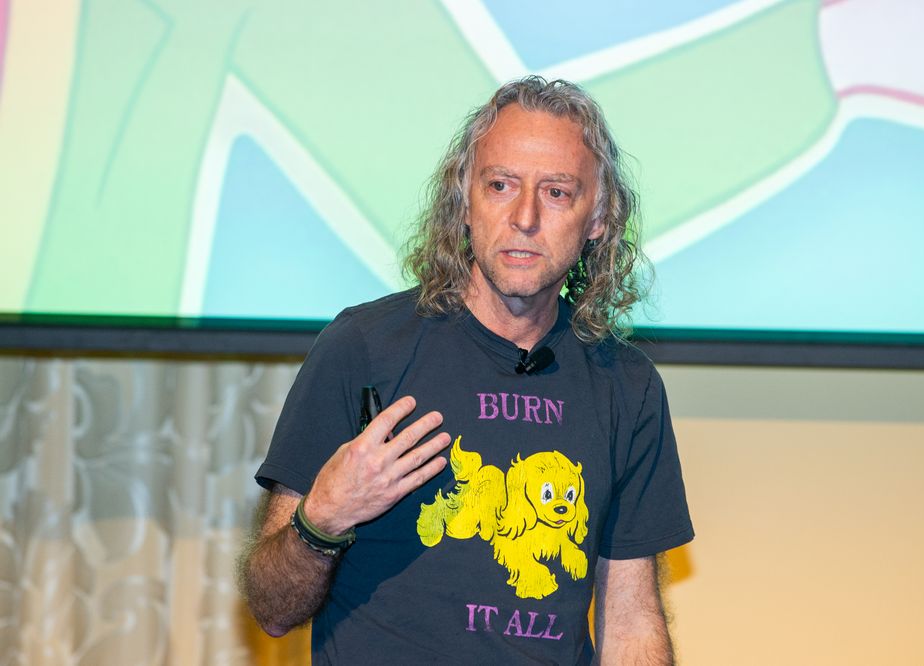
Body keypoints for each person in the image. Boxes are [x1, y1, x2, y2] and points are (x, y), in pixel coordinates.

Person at [240, 76, 693, 664]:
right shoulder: (363, 348)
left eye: (557, 192)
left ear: (598, 217)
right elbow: (273, 609)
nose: (525, 217)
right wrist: (324, 517)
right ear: (465, 201)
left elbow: (631, 620)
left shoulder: (626, 386)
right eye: (500, 185)